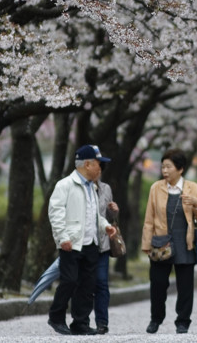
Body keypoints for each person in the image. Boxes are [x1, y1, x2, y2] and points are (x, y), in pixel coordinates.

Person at [47, 144, 118, 336]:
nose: (100, 169)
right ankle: (56, 317)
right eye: (98, 164)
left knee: (87, 285)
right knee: (69, 281)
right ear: (87, 164)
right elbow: (56, 213)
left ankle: (80, 323)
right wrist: (62, 238)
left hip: (91, 243)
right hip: (72, 243)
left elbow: (95, 215)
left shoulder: (91, 188)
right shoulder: (65, 185)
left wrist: (105, 226)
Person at [141, 148, 197, 334]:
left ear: (180, 169)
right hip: (160, 241)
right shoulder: (156, 188)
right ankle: (156, 319)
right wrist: (146, 244)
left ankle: (183, 321)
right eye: (163, 167)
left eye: (169, 167)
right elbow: (149, 218)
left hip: (185, 241)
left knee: (185, 286)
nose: (165, 170)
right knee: (158, 284)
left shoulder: (194, 188)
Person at [93, 173, 120, 335]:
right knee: (82, 282)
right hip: (83, 244)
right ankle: (80, 321)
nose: (98, 171)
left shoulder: (105, 188)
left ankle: (102, 322)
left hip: (102, 244)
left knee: (102, 283)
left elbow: (108, 217)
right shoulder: (78, 187)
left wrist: (114, 211)